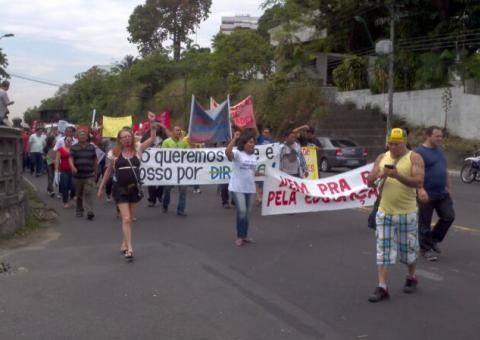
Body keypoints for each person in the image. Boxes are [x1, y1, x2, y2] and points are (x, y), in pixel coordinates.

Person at [366, 128, 425, 303]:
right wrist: (378, 174)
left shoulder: (414, 158)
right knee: (383, 250)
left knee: (409, 250)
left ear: (404, 142)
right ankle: (382, 287)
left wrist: (397, 175)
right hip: (385, 213)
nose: (393, 147)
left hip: (407, 212)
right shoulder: (381, 157)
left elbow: (419, 181)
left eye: (397, 144)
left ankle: (411, 276)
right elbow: (369, 182)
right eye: (390, 143)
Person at [97, 124, 157, 261]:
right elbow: (108, 171)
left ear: (132, 137)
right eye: (123, 137)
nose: (127, 139)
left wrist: (152, 126)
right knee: (126, 218)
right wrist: (101, 187)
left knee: (130, 219)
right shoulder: (114, 153)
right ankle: (130, 248)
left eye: (129, 136)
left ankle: (124, 243)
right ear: (119, 139)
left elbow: (152, 139)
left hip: (134, 188)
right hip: (120, 189)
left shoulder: (137, 149)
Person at [415, 126, 455, 262]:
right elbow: (415, 172)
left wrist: (449, 189)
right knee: (424, 222)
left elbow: (445, 171)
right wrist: (420, 189)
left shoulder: (441, 151)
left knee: (449, 216)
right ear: (428, 136)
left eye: (441, 136)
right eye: (437, 136)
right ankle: (425, 249)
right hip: (427, 193)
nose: (440, 138)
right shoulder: (419, 152)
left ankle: (432, 239)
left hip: (442, 193)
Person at [226, 130, 258, 247]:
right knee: (242, 211)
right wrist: (234, 139)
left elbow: (253, 174)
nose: (252, 144)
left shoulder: (254, 156)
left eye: (253, 142)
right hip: (237, 187)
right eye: (250, 142)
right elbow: (227, 152)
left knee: (247, 214)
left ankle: (244, 236)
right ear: (244, 143)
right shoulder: (238, 153)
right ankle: (239, 236)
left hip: (250, 189)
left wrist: (258, 193)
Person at [69, 129, 97, 220]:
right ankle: (79, 209)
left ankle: (90, 211)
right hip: (78, 175)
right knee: (79, 194)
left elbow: (95, 160)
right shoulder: (74, 147)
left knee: (88, 192)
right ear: (77, 137)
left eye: (84, 135)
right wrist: (72, 167)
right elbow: (70, 158)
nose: (82, 137)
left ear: (87, 137)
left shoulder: (91, 147)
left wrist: (95, 172)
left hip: (89, 174)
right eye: (80, 135)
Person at [161, 126, 190, 216]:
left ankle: (181, 210)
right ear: (172, 132)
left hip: (182, 171)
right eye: (177, 130)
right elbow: (162, 155)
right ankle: (165, 205)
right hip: (170, 171)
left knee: (183, 190)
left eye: (180, 130)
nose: (179, 132)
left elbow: (189, 154)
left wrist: (185, 143)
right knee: (167, 190)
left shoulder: (184, 142)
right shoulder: (166, 142)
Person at [141, 124, 170, 207]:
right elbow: (141, 145)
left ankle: (159, 194)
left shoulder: (163, 135)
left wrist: (164, 127)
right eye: (154, 127)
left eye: (158, 127)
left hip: (162, 161)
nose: (156, 128)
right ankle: (152, 200)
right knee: (151, 180)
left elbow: (171, 138)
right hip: (150, 161)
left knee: (162, 179)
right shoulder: (147, 135)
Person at [55, 136, 75, 208]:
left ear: (72, 141)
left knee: (73, 186)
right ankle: (65, 202)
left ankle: (72, 197)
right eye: (67, 140)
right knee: (65, 186)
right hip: (64, 171)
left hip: (73, 171)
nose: (69, 141)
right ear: (64, 141)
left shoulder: (74, 150)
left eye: (70, 140)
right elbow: (57, 160)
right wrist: (56, 171)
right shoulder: (60, 150)